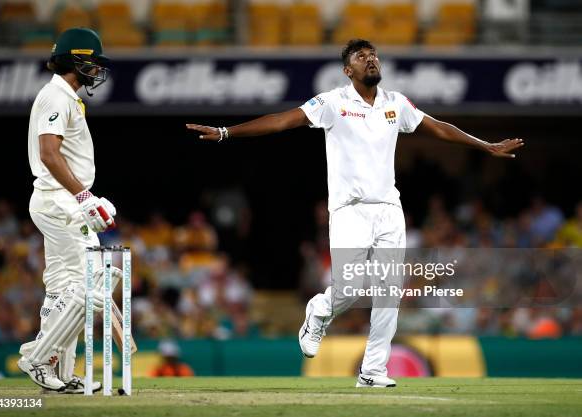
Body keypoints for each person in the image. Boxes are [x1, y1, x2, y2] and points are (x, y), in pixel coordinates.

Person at [187, 39, 524, 388]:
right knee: (349, 288)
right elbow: (282, 121)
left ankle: (373, 371)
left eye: (373, 55)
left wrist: (485, 146)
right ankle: (318, 311)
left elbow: (437, 126)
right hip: (350, 211)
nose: (371, 60)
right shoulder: (333, 102)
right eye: (361, 57)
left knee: (389, 292)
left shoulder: (396, 103)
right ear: (348, 70)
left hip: (390, 210)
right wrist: (227, 132)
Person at [18, 28, 117, 393]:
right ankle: (38, 358)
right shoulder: (56, 96)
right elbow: (48, 153)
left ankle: (59, 370)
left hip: (59, 200)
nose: (95, 68)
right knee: (86, 285)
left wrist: (82, 197)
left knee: (63, 289)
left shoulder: (66, 97)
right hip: (60, 202)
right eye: (90, 61)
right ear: (75, 59)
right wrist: (84, 198)